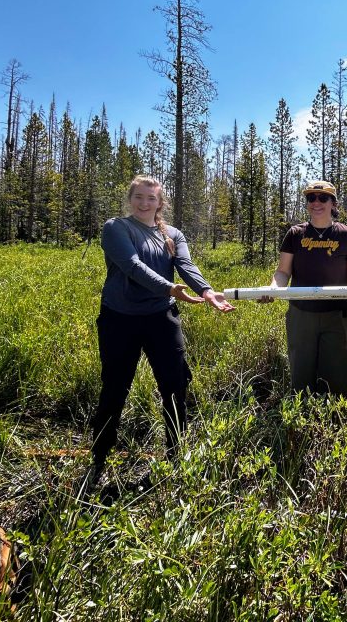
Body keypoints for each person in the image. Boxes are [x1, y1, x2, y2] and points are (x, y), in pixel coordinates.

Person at [89, 175, 234, 479]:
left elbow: (186, 266)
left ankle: (176, 455)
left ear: (160, 202)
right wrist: (170, 288)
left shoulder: (173, 234)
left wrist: (206, 291)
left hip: (161, 318)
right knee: (115, 387)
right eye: (139, 197)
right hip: (120, 319)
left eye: (151, 198)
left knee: (175, 385)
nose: (144, 203)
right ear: (130, 199)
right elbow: (131, 266)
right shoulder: (116, 227)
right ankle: (99, 458)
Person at [260, 180, 347, 396]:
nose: (316, 203)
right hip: (301, 316)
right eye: (311, 198)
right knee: (301, 379)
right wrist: (273, 289)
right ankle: (302, 424)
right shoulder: (295, 234)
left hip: (337, 317)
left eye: (323, 198)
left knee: (336, 380)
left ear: (333, 203)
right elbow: (283, 272)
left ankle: (333, 425)